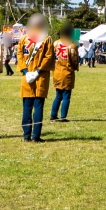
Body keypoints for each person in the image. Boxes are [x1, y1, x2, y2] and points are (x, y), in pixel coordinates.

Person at [16, 14, 53, 142]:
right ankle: (36, 136)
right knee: (38, 107)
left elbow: (19, 56)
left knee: (26, 107)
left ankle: (26, 136)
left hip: (26, 78)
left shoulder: (24, 39)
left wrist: (26, 71)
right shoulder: (46, 39)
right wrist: (37, 71)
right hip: (41, 77)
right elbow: (48, 57)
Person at [49, 26, 80, 122]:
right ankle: (63, 116)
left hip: (56, 72)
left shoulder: (55, 43)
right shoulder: (72, 45)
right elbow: (74, 59)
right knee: (66, 96)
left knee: (58, 95)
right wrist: (75, 67)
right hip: (67, 73)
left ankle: (53, 115)